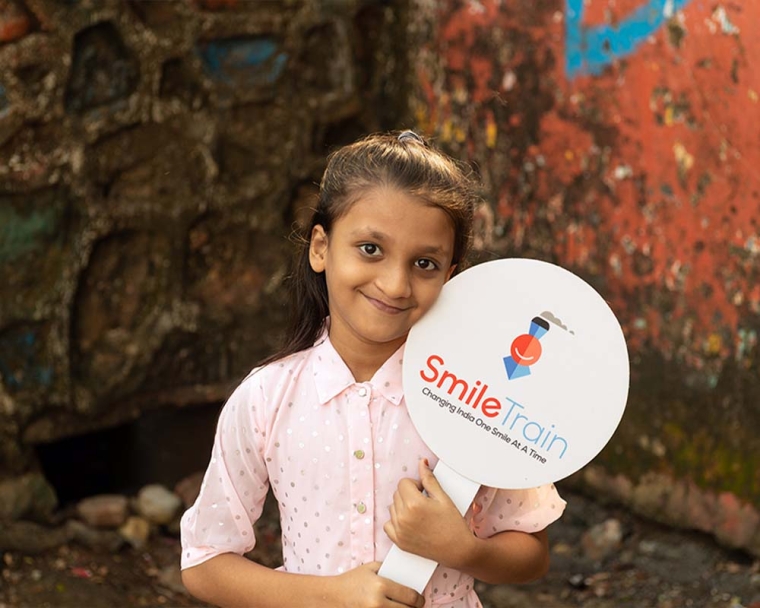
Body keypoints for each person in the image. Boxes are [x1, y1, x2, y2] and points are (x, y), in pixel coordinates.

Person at [180, 131, 566, 608]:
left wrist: (463, 549)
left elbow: (531, 551)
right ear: (320, 247)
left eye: (424, 262)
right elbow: (203, 562)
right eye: (370, 249)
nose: (395, 283)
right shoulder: (266, 400)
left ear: (451, 275)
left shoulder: (482, 397)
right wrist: (331, 597)